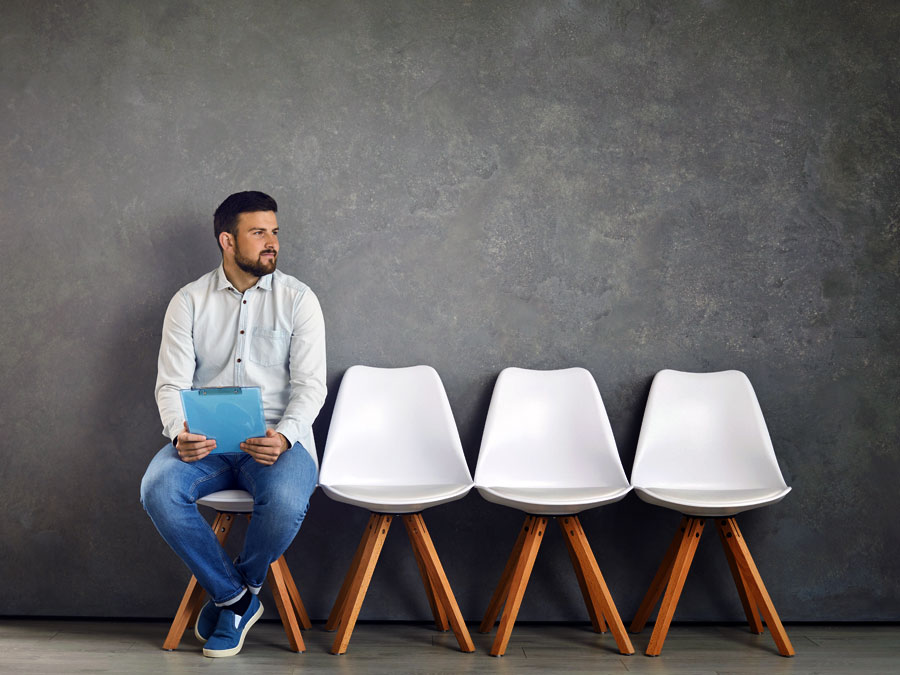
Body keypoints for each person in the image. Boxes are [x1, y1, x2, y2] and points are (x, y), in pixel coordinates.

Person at [140, 191, 326, 658]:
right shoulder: (188, 301)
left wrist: (284, 436)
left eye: (275, 232)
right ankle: (236, 598)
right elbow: (170, 385)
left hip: (277, 441)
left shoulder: (298, 299)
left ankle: (234, 593)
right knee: (157, 488)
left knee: (285, 499)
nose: (272, 243)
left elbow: (311, 386)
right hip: (205, 443)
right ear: (227, 240)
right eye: (258, 232)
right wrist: (178, 431)